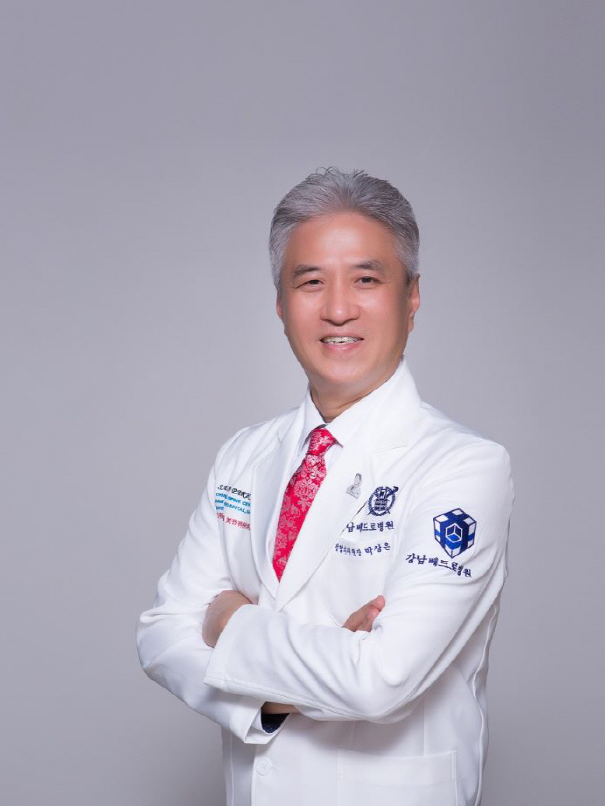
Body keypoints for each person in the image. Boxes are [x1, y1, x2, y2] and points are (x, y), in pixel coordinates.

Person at [136, 167, 514, 806]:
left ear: (412, 297)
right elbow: (161, 632)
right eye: (310, 282)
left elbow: (379, 679)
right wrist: (275, 699)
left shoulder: (464, 466)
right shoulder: (245, 454)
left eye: (367, 279)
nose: (338, 309)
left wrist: (230, 622)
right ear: (280, 305)